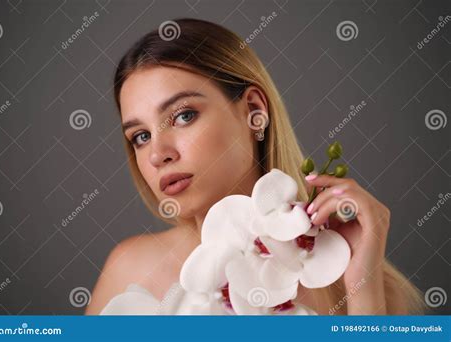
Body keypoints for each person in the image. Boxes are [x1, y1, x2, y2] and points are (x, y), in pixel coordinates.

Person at [85, 18, 425, 315]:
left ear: (253, 110)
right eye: (140, 136)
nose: (158, 154)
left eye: (183, 116)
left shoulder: (360, 284)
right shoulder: (128, 269)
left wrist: (363, 289)